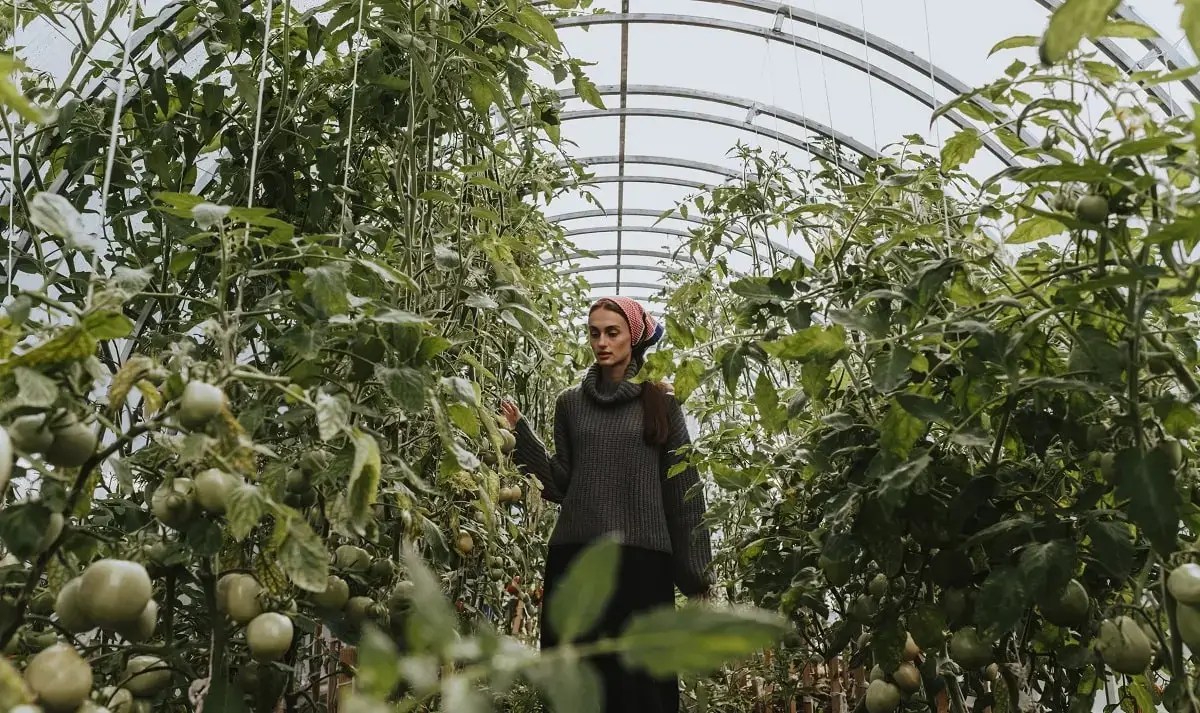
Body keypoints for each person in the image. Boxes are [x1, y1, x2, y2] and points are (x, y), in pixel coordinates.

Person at [499, 296, 714, 713]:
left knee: (642, 688)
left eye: (612, 332)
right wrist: (521, 434)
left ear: (633, 337)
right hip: (576, 557)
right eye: (594, 332)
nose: (601, 342)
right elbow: (561, 483)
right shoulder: (570, 403)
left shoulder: (661, 401)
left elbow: (683, 489)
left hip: (642, 564)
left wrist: (696, 578)